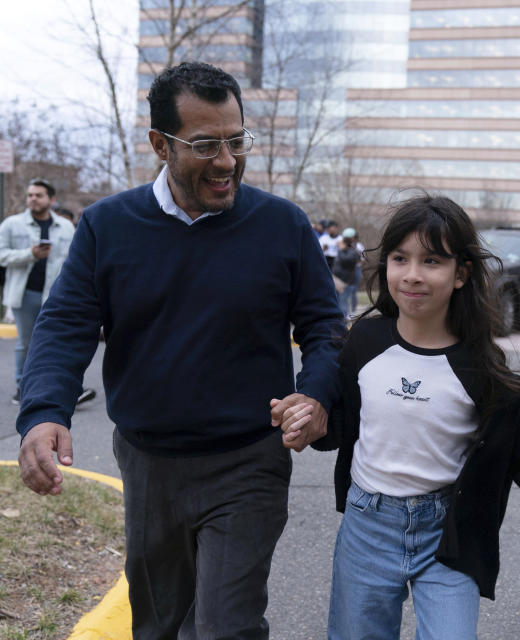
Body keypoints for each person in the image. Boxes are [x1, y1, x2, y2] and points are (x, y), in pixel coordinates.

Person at [16, 61, 344, 639]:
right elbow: (65, 325)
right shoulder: (107, 227)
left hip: (249, 462)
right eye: (205, 144)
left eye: (236, 140)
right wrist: (44, 412)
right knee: (160, 625)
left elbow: (325, 328)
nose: (226, 161)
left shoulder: (283, 226)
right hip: (149, 465)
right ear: (159, 145)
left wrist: (315, 394)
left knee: (226, 627)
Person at [274, 194, 520, 639]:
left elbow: (519, 448)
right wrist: (308, 419)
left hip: (448, 533)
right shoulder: (365, 341)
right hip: (367, 526)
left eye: (432, 260)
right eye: (401, 258)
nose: (413, 275)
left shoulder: (479, 364)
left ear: (461, 274)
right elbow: (341, 424)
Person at [0, 178, 94, 406]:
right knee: (26, 342)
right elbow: (2, 255)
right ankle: (23, 388)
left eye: (38, 195)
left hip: (57, 293)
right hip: (26, 293)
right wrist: (30, 254)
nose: (33, 199)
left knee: (58, 341)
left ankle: (68, 389)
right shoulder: (12, 224)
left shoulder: (65, 226)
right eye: (30, 195)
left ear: (51, 200)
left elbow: (75, 258)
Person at [331, 226, 361, 317]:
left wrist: (341, 249)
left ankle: (344, 324)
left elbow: (346, 260)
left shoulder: (354, 250)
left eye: (346, 239)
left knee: (343, 304)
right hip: (337, 279)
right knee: (338, 303)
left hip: (345, 281)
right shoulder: (346, 250)